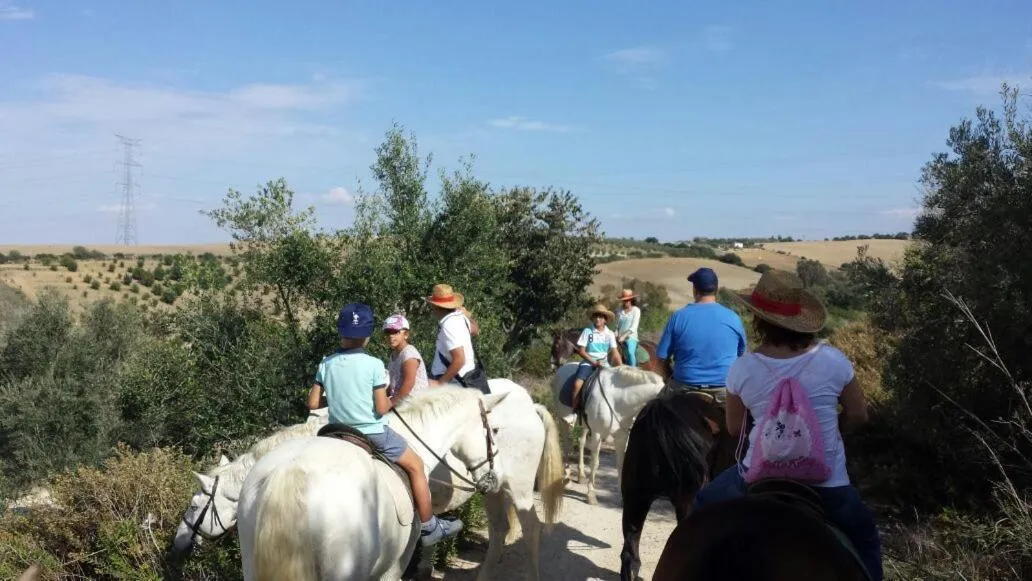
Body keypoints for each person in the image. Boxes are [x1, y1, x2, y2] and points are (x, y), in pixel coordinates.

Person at [691, 270, 883, 581]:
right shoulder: (835, 361)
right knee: (865, 538)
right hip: (828, 484)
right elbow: (860, 415)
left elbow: (735, 429)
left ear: (759, 321)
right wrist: (830, 430)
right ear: (803, 320)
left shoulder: (743, 368)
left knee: (701, 507)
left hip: (755, 478)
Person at [306, 302, 462, 546]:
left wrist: (338, 395)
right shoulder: (374, 365)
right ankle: (430, 526)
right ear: (367, 336)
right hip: (371, 433)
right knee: (416, 465)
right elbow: (381, 408)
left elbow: (313, 403)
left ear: (340, 331)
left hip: (336, 433)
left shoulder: (326, 363)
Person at [655, 267, 747, 401]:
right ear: (716, 289)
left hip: (684, 388)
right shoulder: (733, 318)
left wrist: (670, 378)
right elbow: (741, 357)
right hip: (724, 391)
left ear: (694, 289)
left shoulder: (678, 317)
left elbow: (661, 360)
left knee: (652, 413)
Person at [563, 303, 623, 426]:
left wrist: (621, 367)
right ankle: (574, 413)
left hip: (604, 364)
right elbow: (581, 351)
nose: (597, 319)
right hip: (588, 363)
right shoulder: (587, 331)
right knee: (577, 384)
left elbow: (615, 353)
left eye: (601, 317)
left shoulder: (610, 334)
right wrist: (594, 362)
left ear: (605, 319)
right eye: (596, 316)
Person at [426, 283, 481, 387]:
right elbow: (475, 329)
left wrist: (439, 383)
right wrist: (468, 315)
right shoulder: (460, 317)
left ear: (435, 306)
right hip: (466, 375)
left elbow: (459, 359)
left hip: (452, 380)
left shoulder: (449, 325)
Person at [383, 313, 429, 405]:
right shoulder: (394, 354)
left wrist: (390, 404)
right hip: (402, 402)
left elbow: (408, 384)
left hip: (414, 405)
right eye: (387, 332)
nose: (391, 336)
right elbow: (393, 384)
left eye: (395, 332)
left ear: (406, 334)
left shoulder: (409, 355)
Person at [616, 289, 642, 367]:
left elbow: (633, 327)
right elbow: (617, 326)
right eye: (624, 300)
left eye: (627, 300)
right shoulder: (620, 311)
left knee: (630, 352)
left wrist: (624, 337)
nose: (626, 302)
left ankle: (633, 370)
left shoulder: (636, 310)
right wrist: (615, 334)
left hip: (630, 337)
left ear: (631, 300)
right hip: (619, 338)